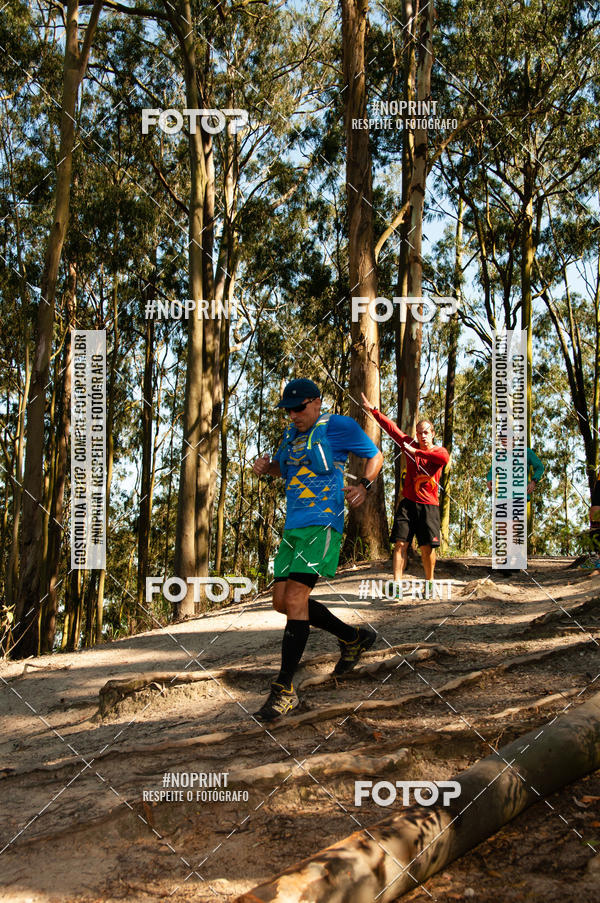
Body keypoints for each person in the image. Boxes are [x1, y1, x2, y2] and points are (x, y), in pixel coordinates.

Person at [252, 378, 384, 721]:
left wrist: (364, 486)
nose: (293, 415)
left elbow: (375, 455)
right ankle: (353, 638)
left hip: (322, 522)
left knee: (295, 599)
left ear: (316, 402)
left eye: (298, 408)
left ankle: (284, 690)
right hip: (293, 525)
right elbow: (285, 467)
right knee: (281, 602)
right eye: (288, 410)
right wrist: (268, 467)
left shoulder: (338, 425)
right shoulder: (290, 435)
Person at [360, 392, 449, 588]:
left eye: (426, 432)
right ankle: (397, 585)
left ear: (433, 433)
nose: (422, 436)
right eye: (419, 433)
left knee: (427, 548)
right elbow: (392, 429)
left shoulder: (439, 452)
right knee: (400, 544)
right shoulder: (410, 443)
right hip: (408, 503)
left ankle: (429, 582)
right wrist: (374, 411)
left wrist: (415, 452)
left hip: (429, 506)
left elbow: (443, 459)